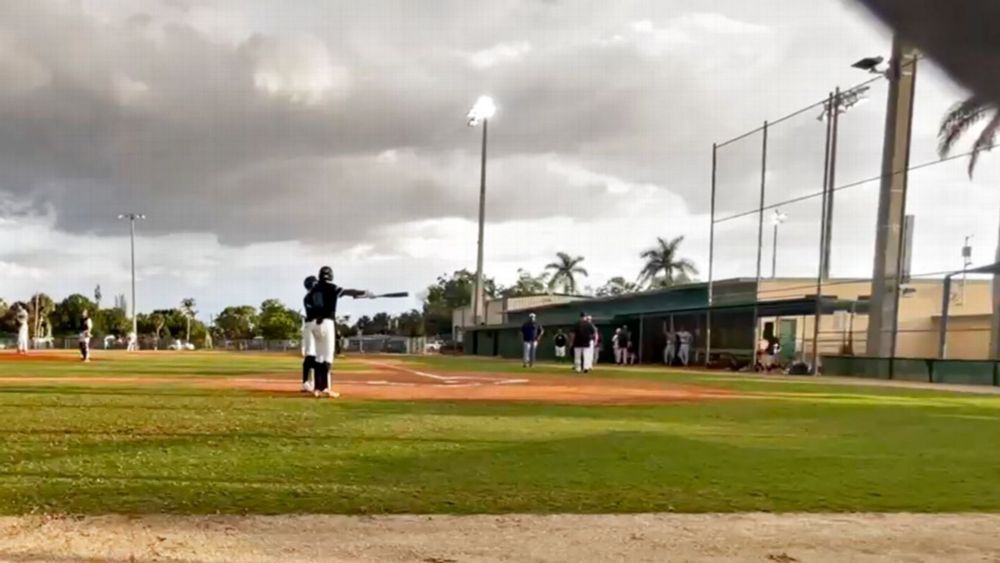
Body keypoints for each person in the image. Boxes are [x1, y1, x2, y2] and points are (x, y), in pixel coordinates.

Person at [306, 266, 371, 398]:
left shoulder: (313, 290)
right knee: (328, 357)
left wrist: (359, 296)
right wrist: (365, 293)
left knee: (319, 357)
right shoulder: (331, 287)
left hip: (314, 324)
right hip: (327, 322)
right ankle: (325, 388)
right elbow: (348, 292)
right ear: (331, 276)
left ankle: (317, 389)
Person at [301, 275, 319, 393]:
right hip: (312, 327)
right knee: (311, 355)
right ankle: (307, 382)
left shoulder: (315, 296)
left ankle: (313, 382)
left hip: (319, 327)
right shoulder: (308, 297)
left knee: (317, 356)